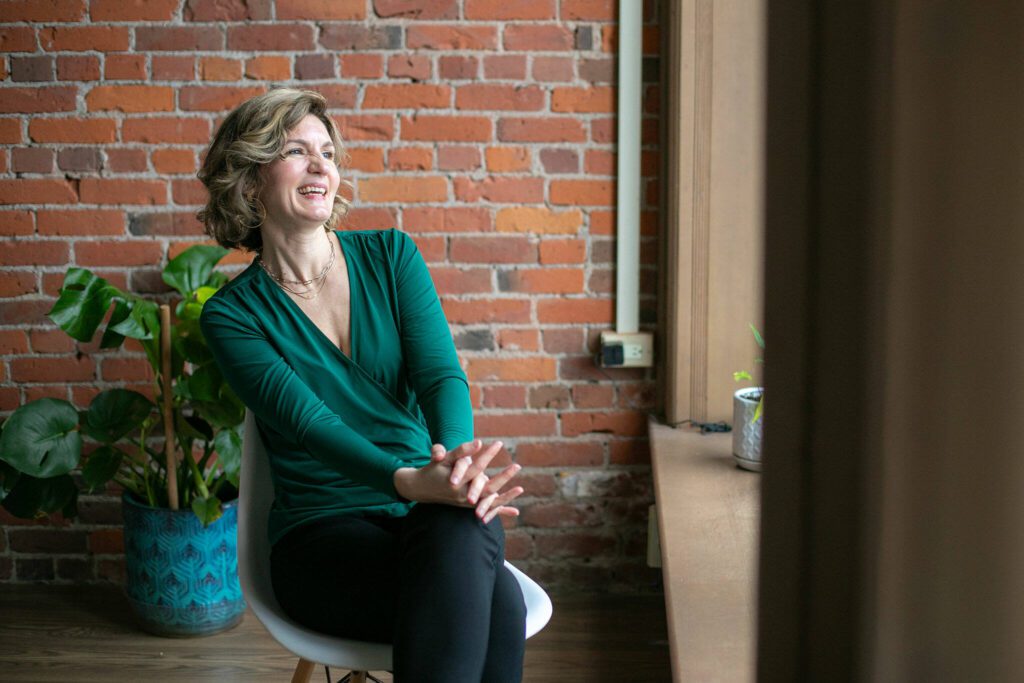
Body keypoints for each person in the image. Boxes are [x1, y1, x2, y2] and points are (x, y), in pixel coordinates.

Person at [196, 88, 527, 682]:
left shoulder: (391, 256)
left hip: (431, 509)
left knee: (460, 534)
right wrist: (406, 481)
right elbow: (310, 424)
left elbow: (440, 375)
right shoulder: (233, 316)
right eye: (296, 151)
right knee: (494, 604)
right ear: (249, 181)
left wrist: (454, 467)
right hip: (322, 536)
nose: (322, 165)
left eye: (328, 150)